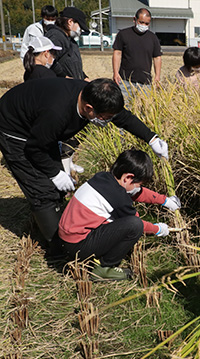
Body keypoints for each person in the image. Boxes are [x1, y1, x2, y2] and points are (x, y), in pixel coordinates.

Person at [0, 78, 170, 252]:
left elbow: (122, 117)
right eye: (106, 118)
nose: (108, 120)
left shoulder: (93, 95)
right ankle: (59, 248)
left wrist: (152, 139)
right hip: (15, 130)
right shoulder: (57, 113)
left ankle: (60, 223)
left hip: (41, 126)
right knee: (40, 188)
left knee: (56, 186)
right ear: (89, 109)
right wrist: (54, 174)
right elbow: (35, 148)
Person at [58, 149, 180, 280]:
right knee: (135, 225)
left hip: (66, 239)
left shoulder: (104, 178)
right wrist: (158, 229)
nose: (138, 188)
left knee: (124, 218)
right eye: (138, 184)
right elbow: (137, 223)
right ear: (128, 177)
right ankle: (104, 267)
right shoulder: (118, 198)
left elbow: (137, 192)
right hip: (78, 247)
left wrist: (165, 201)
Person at [112, 8, 163, 91]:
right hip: (125, 81)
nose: (143, 25)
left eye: (147, 23)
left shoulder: (153, 38)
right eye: (141, 22)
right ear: (134, 19)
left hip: (145, 83)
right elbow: (117, 53)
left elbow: (157, 57)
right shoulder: (123, 34)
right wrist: (115, 73)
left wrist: (157, 76)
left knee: (145, 104)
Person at [45, 6, 89, 80]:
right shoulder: (56, 36)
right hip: (62, 86)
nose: (80, 30)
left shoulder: (70, 40)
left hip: (73, 86)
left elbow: (72, 65)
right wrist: (64, 77)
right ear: (70, 22)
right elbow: (49, 60)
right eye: (80, 26)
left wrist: (84, 77)